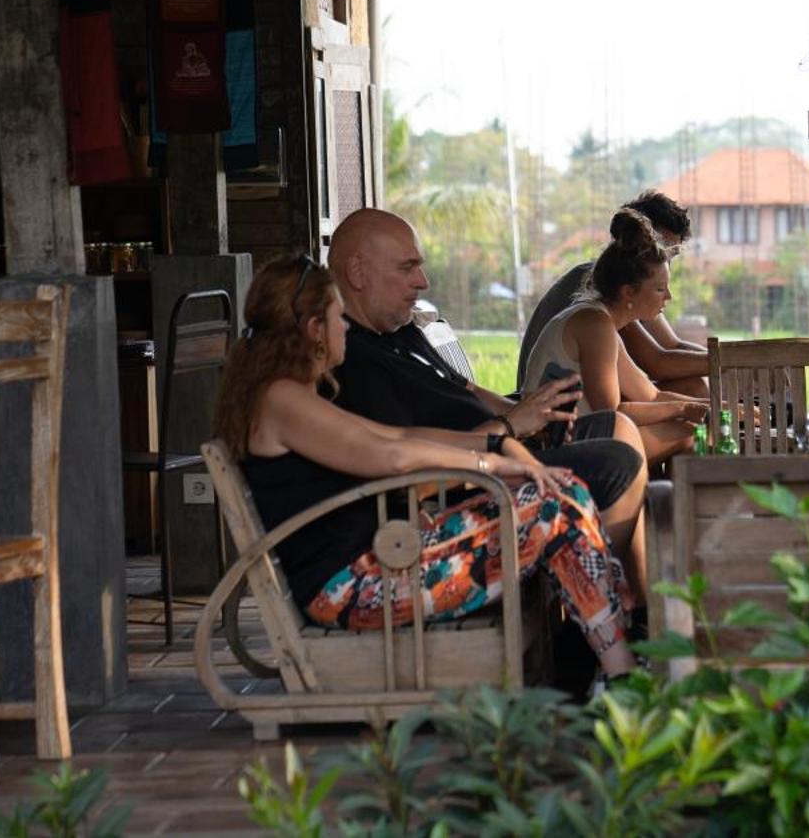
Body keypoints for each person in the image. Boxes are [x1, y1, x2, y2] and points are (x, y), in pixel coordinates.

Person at [215, 255, 638, 680]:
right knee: (552, 508)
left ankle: (615, 666)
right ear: (313, 331)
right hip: (355, 587)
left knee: (561, 492)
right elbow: (392, 458)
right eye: (338, 317)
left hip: (382, 561)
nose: (345, 327)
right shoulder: (283, 400)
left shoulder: (289, 395)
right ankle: (618, 670)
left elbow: (399, 437)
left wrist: (498, 444)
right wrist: (490, 463)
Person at [325, 208, 650, 590]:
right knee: (618, 463)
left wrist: (531, 412)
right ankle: (594, 610)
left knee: (618, 428)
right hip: (469, 485)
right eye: (407, 267)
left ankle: (635, 604)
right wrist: (509, 428)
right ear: (358, 272)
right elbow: (410, 465)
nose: (423, 282)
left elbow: (466, 389)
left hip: (502, 451)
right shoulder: (353, 362)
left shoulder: (400, 332)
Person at [519, 208, 709, 469]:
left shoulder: (603, 323)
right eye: (659, 289)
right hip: (556, 447)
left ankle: (659, 503)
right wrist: (684, 409)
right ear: (628, 292)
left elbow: (652, 396)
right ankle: (665, 507)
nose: (668, 297)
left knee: (695, 425)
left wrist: (720, 406)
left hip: (579, 436)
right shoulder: (594, 325)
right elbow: (610, 415)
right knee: (690, 432)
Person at [518, 190, 709, 398]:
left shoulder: (630, 285)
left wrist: (731, 361)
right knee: (694, 389)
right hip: (549, 410)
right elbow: (657, 363)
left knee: (694, 390)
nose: (664, 261)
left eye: (671, 255)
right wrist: (729, 364)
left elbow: (672, 345)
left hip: (572, 400)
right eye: (660, 250)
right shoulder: (606, 289)